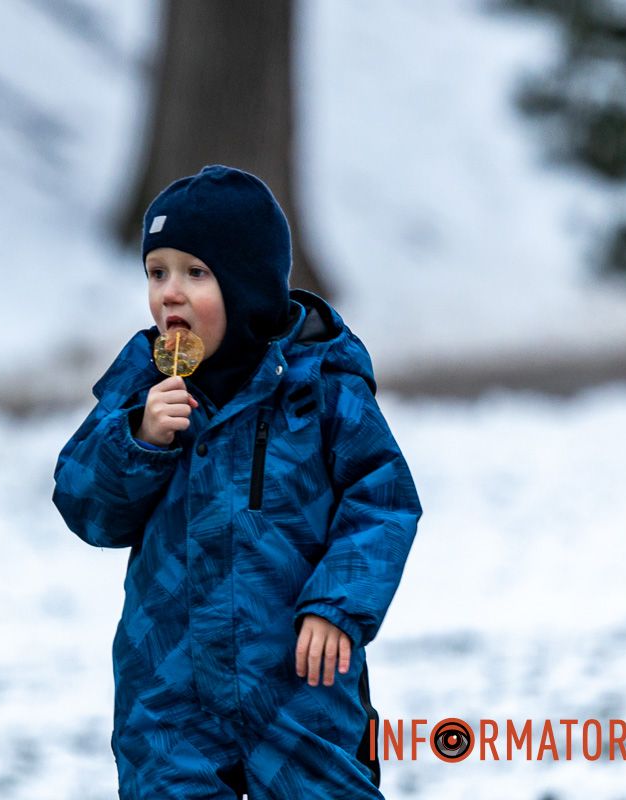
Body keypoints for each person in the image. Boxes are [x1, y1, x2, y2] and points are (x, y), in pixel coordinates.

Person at [52, 165, 422, 799]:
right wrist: (138, 439)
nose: (169, 293)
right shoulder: (142, 386)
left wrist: (337, 606)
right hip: (169, 693)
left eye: (195, 273)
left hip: (298, 681)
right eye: (157, 272)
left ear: (247, 284)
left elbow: (381, 501)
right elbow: (87, 508)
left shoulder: (319, 386)